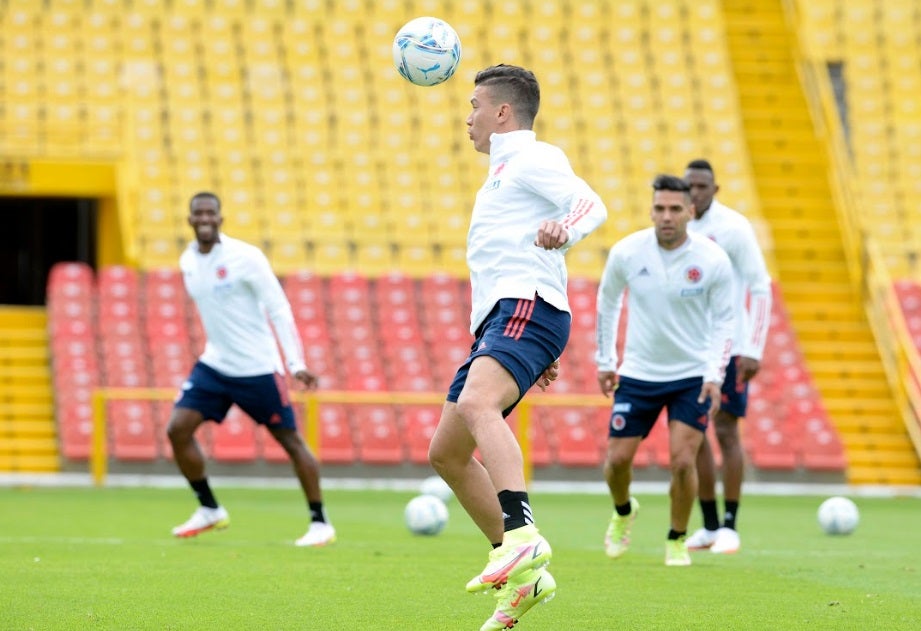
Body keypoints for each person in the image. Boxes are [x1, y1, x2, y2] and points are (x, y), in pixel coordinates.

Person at [427, 64, 607, 630]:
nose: (468, 117)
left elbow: (589, 205)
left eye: (475, 105)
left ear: (503, 112)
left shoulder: (532, 156)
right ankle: (527, 580)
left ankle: (522, 537)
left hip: (524, 306)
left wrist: (565, 230)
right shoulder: (502, 171)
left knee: (479, 405)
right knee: (447, 453)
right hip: (508, 319)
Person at [167, 191, 335, 547]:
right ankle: (209, 508)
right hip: (214, 364)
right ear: (190, 220)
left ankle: (320, 522)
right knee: (177, 429)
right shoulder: (188, 261)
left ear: (220, 219)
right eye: (199, 214)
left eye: (211, 213)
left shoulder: (245, 257)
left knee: (290, 441)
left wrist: (295, 363)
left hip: (257, 367)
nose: (205, 219)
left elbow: (278, 308)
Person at [595, 174, 734, 567]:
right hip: (638, 373)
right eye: (660, 208)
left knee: (682, 461)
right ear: (651, 210)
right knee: (617, 461)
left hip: (691, 376)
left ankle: (676, 537)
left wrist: (714, 373)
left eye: (675, 209)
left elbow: (725, 321)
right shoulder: (627, 252)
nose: (666, 216)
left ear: (691, 211)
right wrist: (606, 361)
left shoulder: (712, 259)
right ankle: (623, 511)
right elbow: (607, 305)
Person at [684, 159, 773, 555]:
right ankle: (709, 525)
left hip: (732, 346)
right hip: (690, 348)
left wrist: (753, 347)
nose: (696, 193)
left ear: (714, 189)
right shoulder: (678, 230)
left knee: (725, 430)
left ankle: (731, 526)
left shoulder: (733, 228)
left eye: (702, 186)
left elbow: (760, 285)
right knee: (695, 433)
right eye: (690, 186)